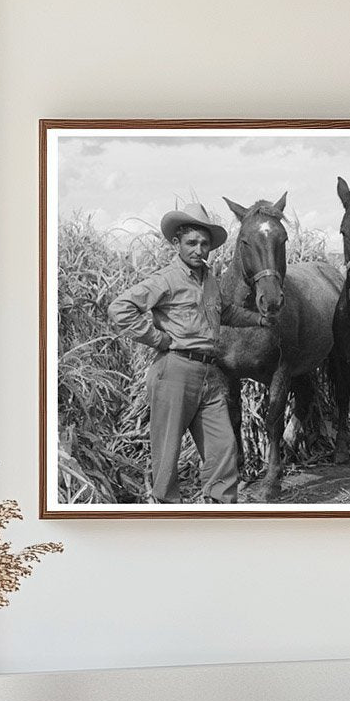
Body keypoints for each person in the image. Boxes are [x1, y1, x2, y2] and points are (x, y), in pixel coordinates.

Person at [108, 202, 272, 503]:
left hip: (210, 374)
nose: (199, 249)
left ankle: (219, 506)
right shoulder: (167, 279)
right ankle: (168, 511)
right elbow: (120, 308)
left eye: (204, 244)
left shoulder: (210, 281)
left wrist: (259, 320)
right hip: (175, 371)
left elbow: (227, 312)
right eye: (192, 243)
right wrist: (158, 339)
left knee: (223, 446)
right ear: (177, 244)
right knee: (168, 450)